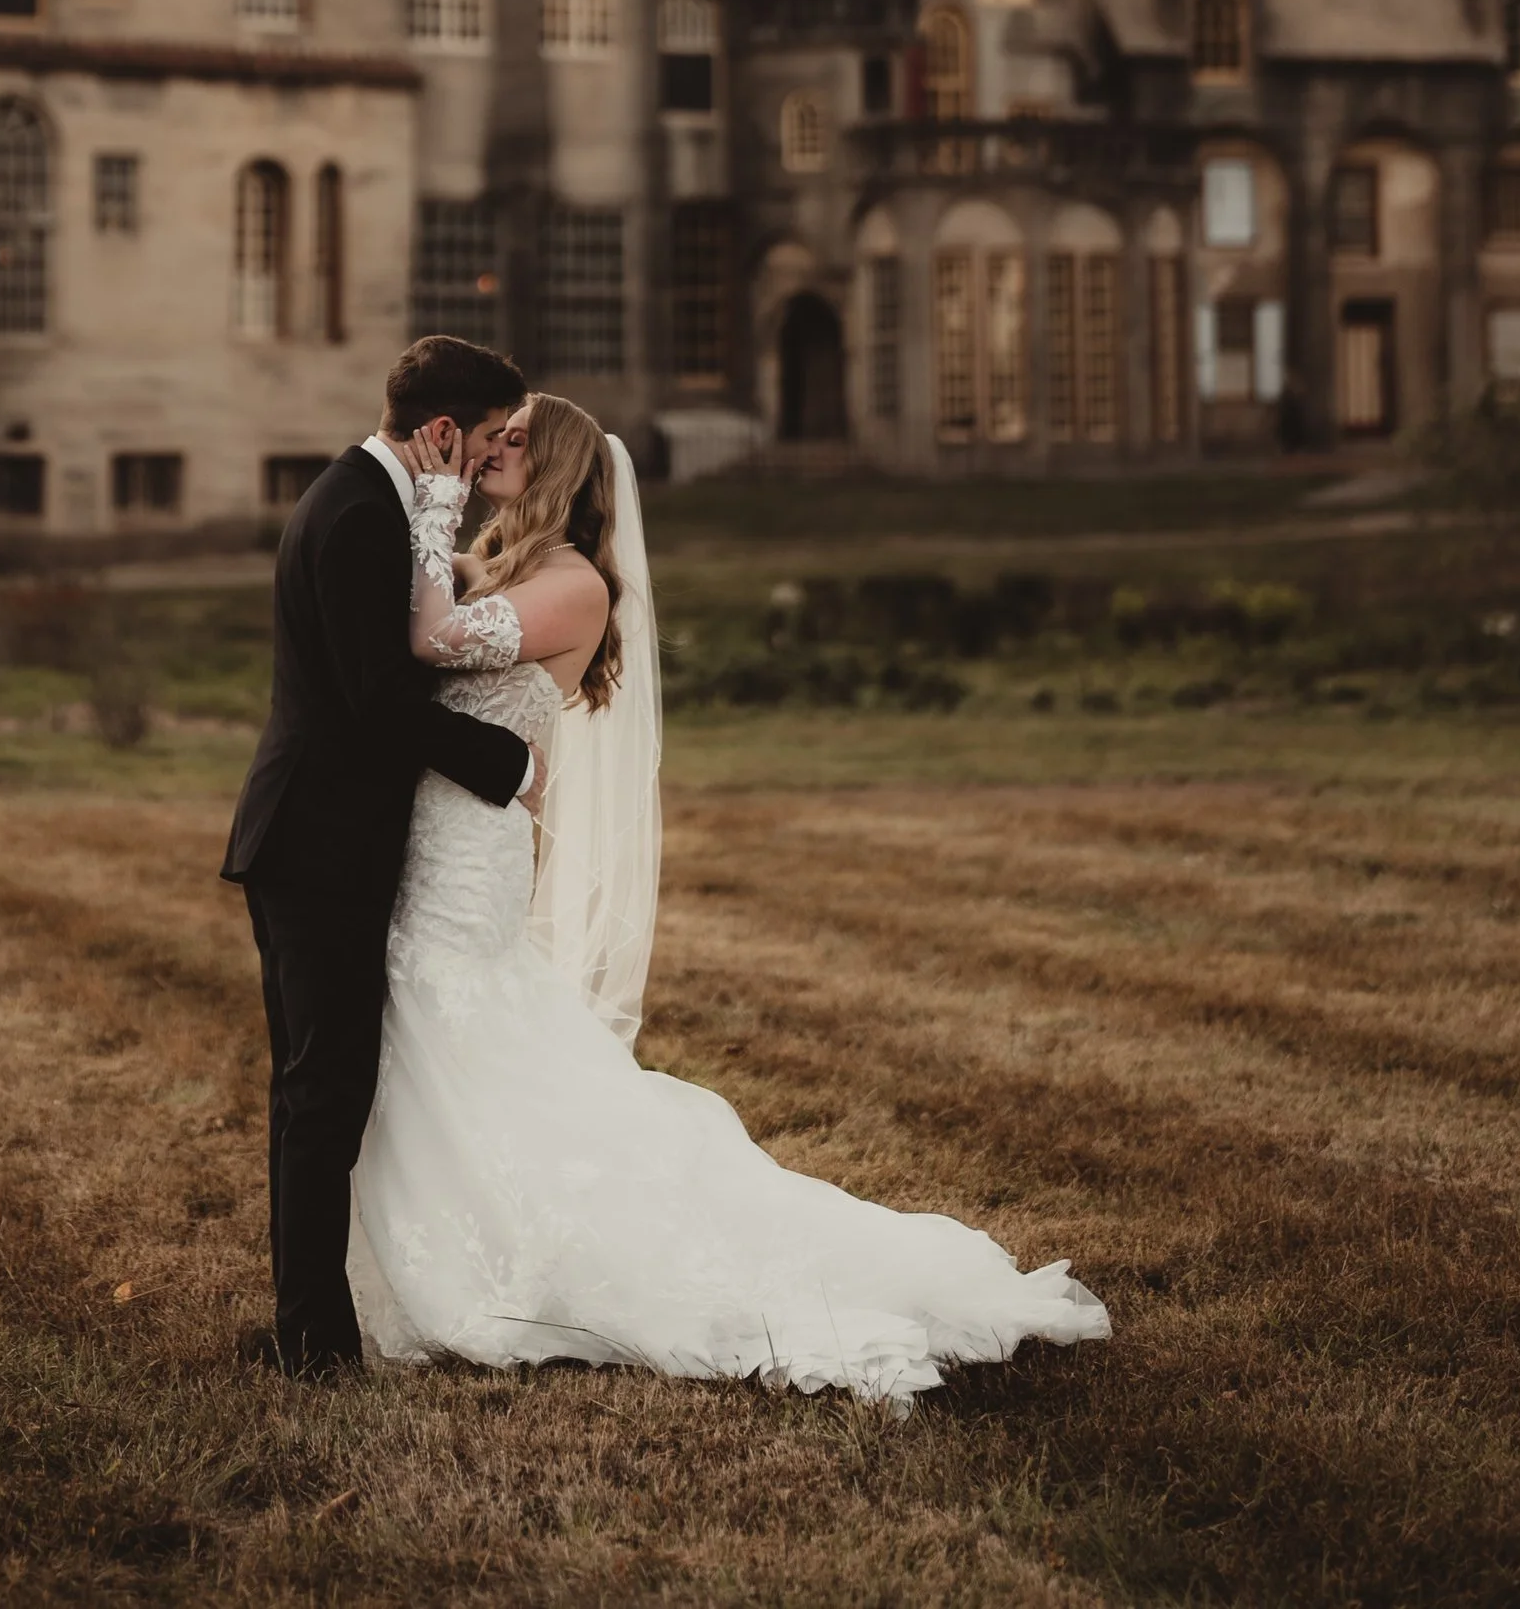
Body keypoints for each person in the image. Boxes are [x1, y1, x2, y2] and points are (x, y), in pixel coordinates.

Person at [345, 392, 1112, 1404]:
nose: (498, 445)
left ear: (563, 469)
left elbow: (431, 640)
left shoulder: (575, 585)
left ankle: (511, 1263)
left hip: (469, 853)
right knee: (436, 1027)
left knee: (452, 1013)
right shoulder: (508, 568)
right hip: (437, 831)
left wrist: (431, 502)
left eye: (520, 438)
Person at [221, 334, 536, 1378]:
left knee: (316, 1090)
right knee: (324, 1094)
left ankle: (306, 1325)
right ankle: (311, 1343)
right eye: (487, 437)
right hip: (318, 842)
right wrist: (508, 759)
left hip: (317, 835)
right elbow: (377, 699)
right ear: (442, 432)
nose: (491, 457)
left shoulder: (362, 500)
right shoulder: (356, 513)